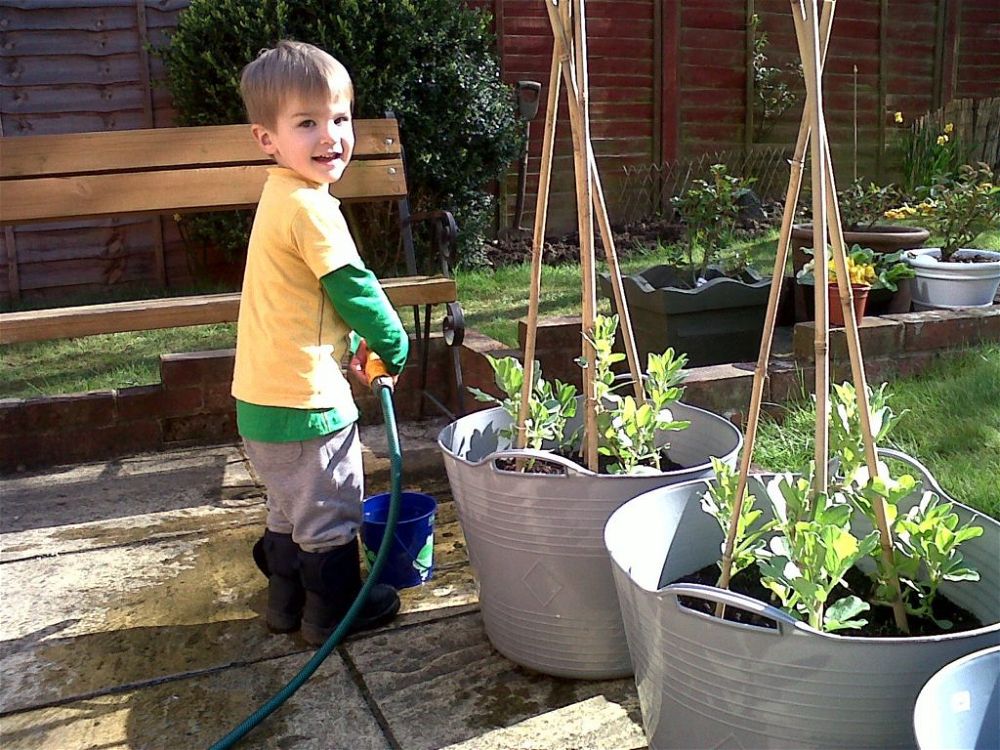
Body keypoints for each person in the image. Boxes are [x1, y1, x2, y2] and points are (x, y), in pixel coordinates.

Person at [232, 40, 409, 646]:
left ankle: (285, 606)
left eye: (339, 118)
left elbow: (310, 300)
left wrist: (353, 344)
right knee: (330, 514)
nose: (330, 135)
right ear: (268, 139)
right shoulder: (313, 209)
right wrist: (391, 340)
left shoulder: (278, 195)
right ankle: (333, 613)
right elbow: (353, 287)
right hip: (306, 404)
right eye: (307, 122)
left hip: (259, 400)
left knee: (288, 510)